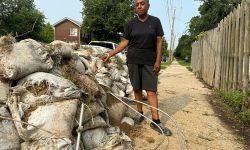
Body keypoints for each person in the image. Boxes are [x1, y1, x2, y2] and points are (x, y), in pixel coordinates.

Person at [101, 0, 172, 136]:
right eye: (136, 4)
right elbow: (125, 42)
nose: (139, 6)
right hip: (133, 60)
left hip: (149, 61)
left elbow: (159, 41)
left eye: (142, 3)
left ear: (148, 6)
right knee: (137, 89)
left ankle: (156, 120)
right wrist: (110, 53)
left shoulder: (155, 22)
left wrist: (158, 60)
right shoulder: (131, 24)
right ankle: (139, 113)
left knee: (151, 90)